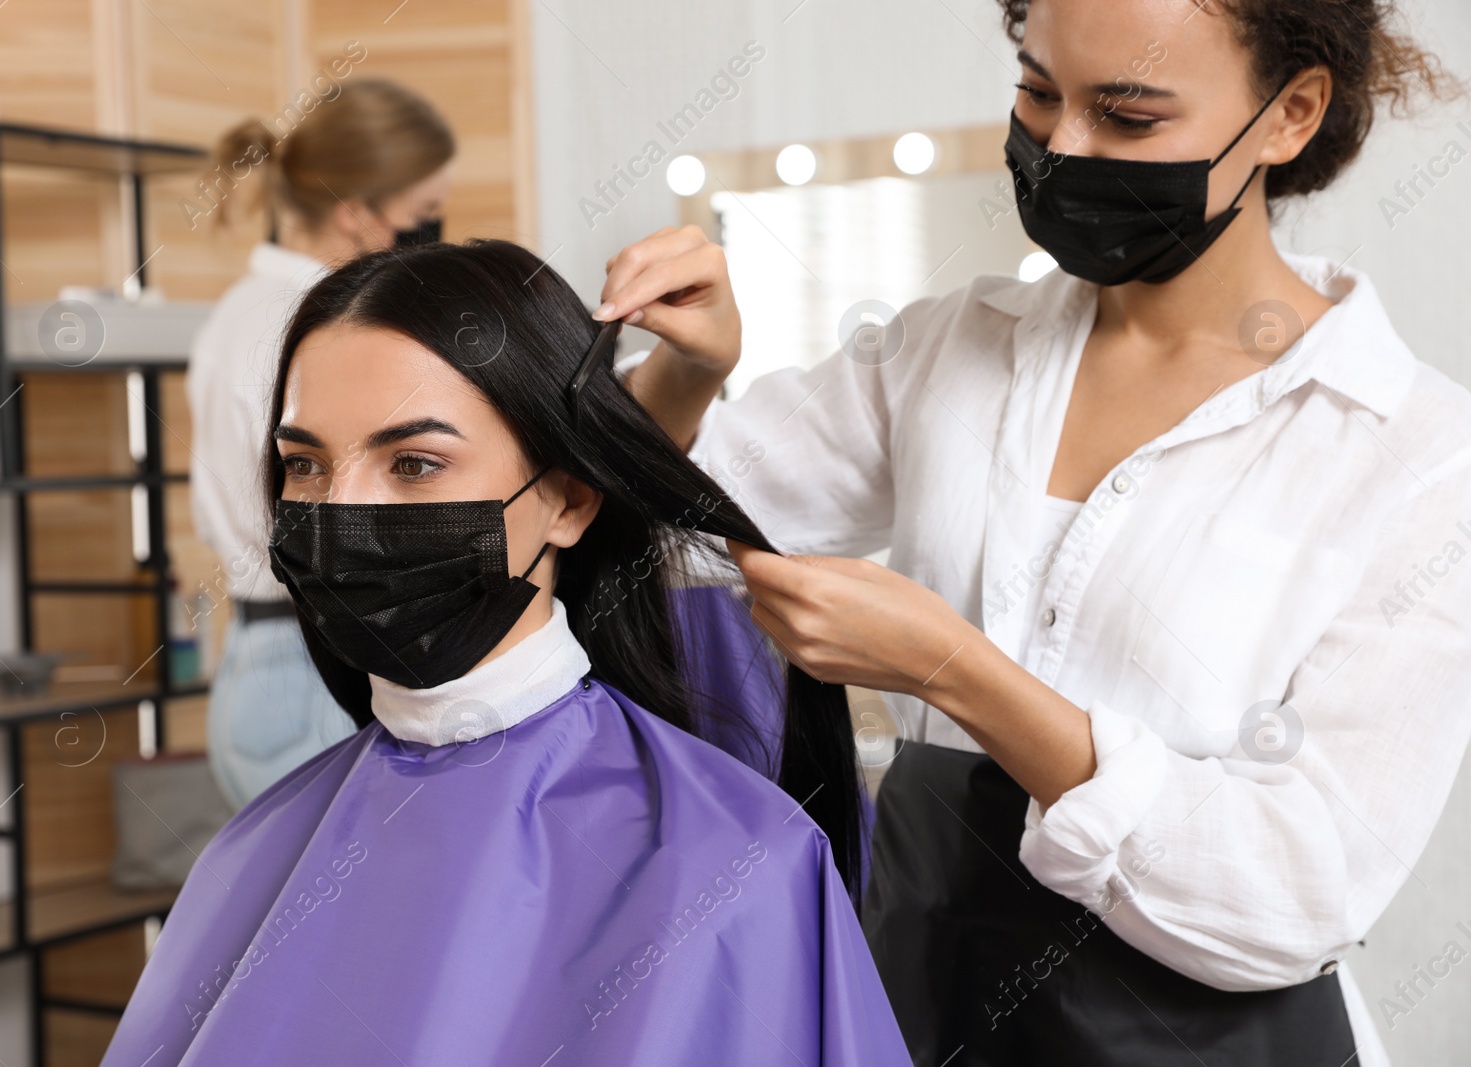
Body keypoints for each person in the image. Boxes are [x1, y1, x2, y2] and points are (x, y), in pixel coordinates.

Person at [598, 1, 1471, 1064]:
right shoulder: (946, 350)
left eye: (1126, 115)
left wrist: (954, 668)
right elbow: (644, 529)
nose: (1061, 150)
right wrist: (688, 375)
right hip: (924, 1003)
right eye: (1038, 92)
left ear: (1288, 114)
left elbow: (1296, 887)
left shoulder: (1418, 456)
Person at [101, 240, 909, 1067]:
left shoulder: (737, 865)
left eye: (413, 463)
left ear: (569, 500)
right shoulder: (252, 851)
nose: (340, 512)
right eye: (304, 464)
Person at [187, 79, 455, 809]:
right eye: (423, 214)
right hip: (319, 669)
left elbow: (224, 515)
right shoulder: (320, 330)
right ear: (357, 214)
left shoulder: (232, 314)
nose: (433, 231)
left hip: (252, 665)